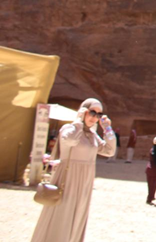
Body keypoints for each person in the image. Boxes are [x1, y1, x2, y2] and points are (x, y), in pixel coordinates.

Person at [31, 98, 116, 242]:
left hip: (85, 182)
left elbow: (110, 151)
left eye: (98, 115)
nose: (94, 117)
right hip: (68, 178)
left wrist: (107, 128)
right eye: (92, 112)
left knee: (78, 214)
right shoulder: (69, 129)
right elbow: (70, 140)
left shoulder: (93, 135)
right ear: (83, 111)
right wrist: (78, 121)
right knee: (63, 213)